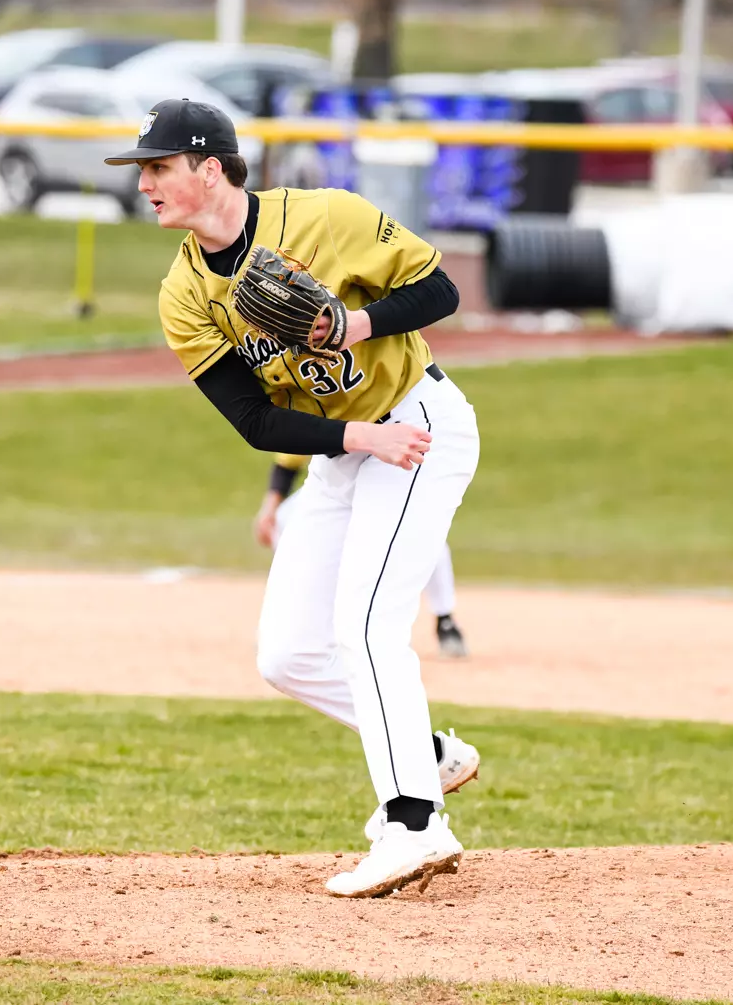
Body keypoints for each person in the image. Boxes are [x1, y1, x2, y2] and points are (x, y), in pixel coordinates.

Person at [107, 99, 480, 899]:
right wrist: (353, 440)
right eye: (142, 170)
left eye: (159, 166)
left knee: (367, 622)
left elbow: (440, 289)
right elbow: (251, 418)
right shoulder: (184, 294)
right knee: (287, 653)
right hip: (353, 451)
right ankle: (429, 753)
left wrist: (357, 322)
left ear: (211, 169)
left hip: (417, 424)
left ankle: (415, 823)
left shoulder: (327, 218)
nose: (146, 184)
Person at [254, 453, 470, 659]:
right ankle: (304, 616)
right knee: (282, 520)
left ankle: (445, 620)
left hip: (395, 478)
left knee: (426, 534)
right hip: (339, 482)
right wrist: (269, 508)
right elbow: (289, 461)